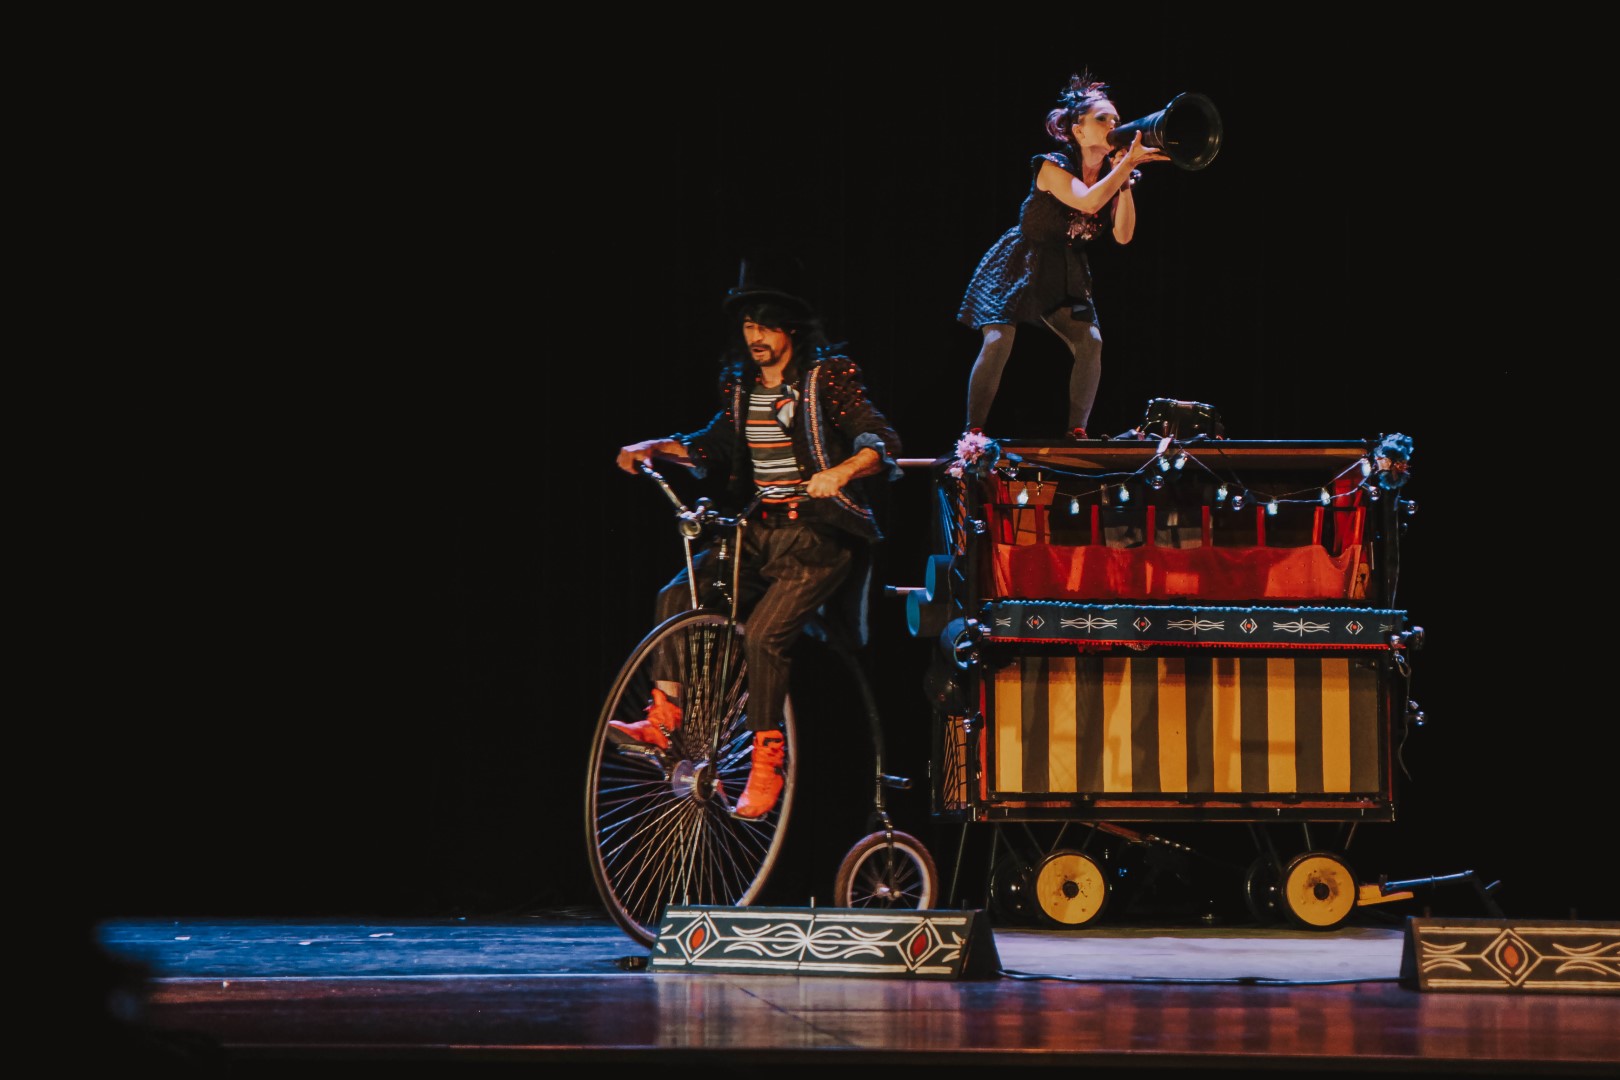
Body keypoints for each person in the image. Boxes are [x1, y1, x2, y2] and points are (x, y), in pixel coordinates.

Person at [613, 271, 903, 818]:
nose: (756, 337)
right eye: (749, 327)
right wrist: (655, 447)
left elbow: (878, 440)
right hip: (759, 530)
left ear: (790, 329)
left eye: (766, 327)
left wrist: (840, 472)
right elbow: (713, 445)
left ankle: (767, 761)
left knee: (765, 635)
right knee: (675, 595)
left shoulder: (824, 379)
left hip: (818, 537)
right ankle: (663, 718)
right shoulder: (743, 387)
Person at [957, 70, 1169, 439]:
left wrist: (1125, 179)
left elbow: (1123, 236)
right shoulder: (1052, 164)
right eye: (1102, 118)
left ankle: (1077, 431)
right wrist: (1126, 165)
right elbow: (1087, 202)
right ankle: (972, 435)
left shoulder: (1112, 174)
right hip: (1020, 260)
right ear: (1078, 131)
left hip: (1065, 268)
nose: (1114, 125)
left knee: (1091, 341)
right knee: (998, 338)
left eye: (1116, 119)